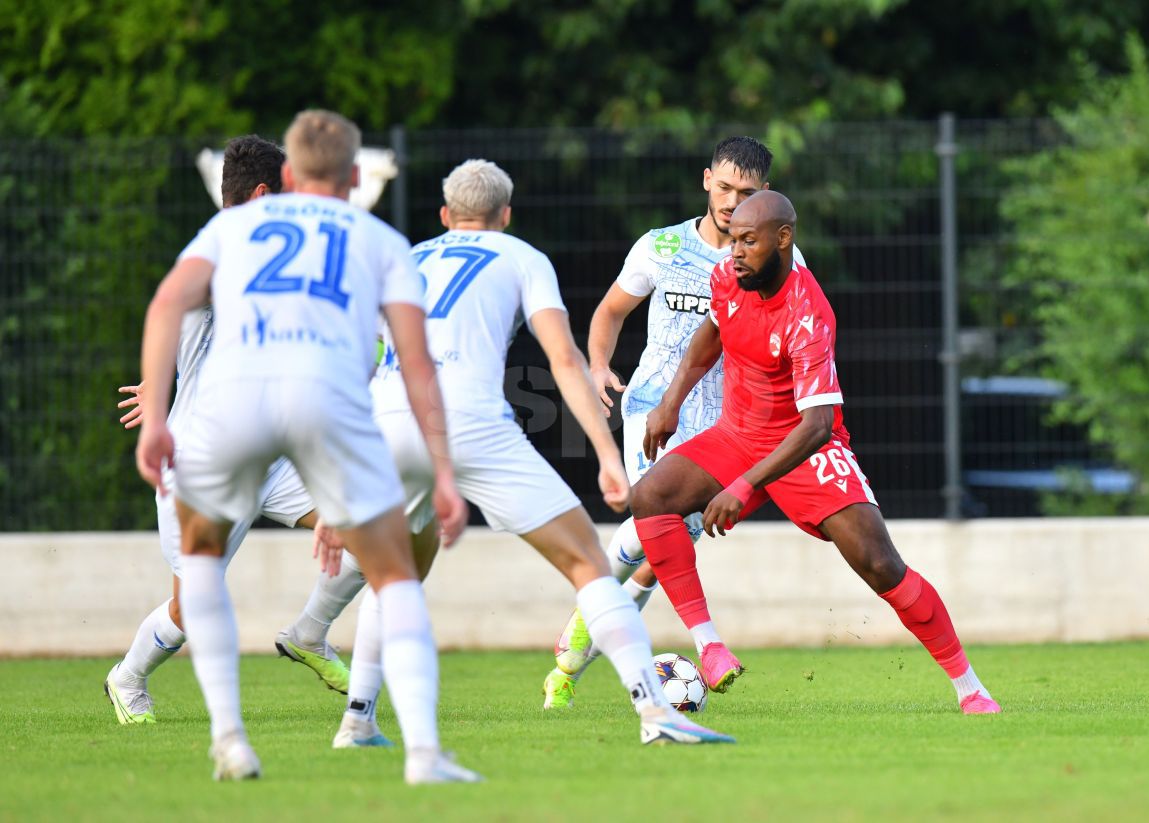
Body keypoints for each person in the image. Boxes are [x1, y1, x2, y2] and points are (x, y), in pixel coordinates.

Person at [326, 158, 735, 748]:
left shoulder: (403, 258)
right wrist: (605, 453)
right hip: (468, 421)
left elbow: (359, 356)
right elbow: (565, 359)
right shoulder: (521, 258)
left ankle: (358, 721)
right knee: (589, 566)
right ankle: (656, 713)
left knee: (394, 575)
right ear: (507, 216)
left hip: (389, 422)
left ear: (445, 215)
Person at [134, 109, 480, 783]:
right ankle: (422, 753)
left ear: (289, 174)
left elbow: (167, 302)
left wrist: (154, 417)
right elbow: (413, 361)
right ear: (355, 176)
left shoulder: (232, 225)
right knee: (394, 569)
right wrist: (439, 466)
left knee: (200, 564)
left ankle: (230, 738)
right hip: (323, 403)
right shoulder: (378, 239)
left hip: (232, 403)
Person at [630, 190, 1001, 715]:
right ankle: (709, 645)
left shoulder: (809, 312)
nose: (734, 252)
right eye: (733, 240)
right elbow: (710, 336)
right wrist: (671, 402)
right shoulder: (728, 279)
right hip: (737, 434)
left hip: (803, 448)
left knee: (879, 564)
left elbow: (819, 425)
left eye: (749, 241)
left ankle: (972, 689)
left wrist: (742, 486)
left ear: (783, 240)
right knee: (651, 497)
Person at [105, 135, 365, 726]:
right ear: (265, 193)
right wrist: (159, 388)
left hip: (272, 457)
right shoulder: (212, 252)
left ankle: (310, 633)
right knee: (191, 606)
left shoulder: (279, 251)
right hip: (202, 458)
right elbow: (166, 311)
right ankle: (127, 677)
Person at [541, 137, 803, 707]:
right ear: (706, 179)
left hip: (725, 425)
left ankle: (572, 657)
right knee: (647, 525)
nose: (735, 202)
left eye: (749, 193)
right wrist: (599, 363)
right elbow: (611, 311)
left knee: (664, 553)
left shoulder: (778, 259)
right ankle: (587, 626)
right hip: (654, 411)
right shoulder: (661, 246)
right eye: (727, 187)